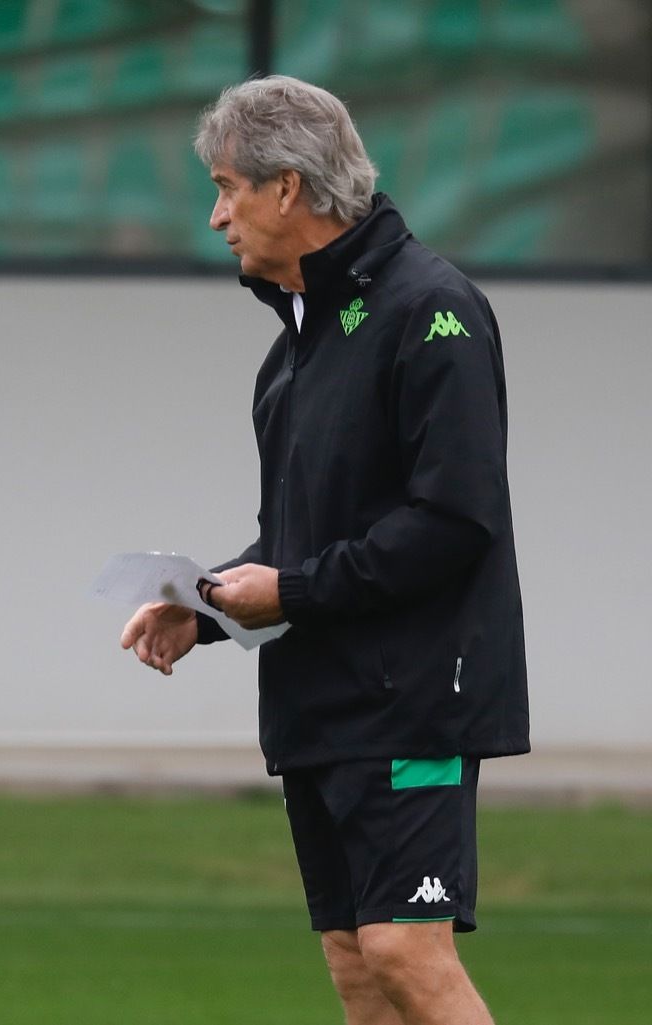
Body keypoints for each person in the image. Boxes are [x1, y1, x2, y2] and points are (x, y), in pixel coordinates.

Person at [120, 77, 528, 1025]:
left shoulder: (434, 311)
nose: (217, 215)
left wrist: (294, 589)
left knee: (405, 953)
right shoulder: (294, 340)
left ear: (289, 190)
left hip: (416, 699)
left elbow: (456, 518)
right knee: (356, 964)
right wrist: (210, 605)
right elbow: (303, 538)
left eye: (227, 187)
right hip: (322, 700)